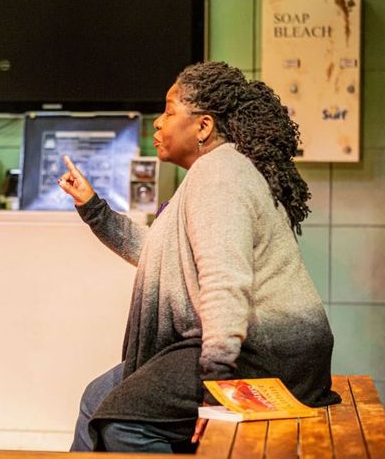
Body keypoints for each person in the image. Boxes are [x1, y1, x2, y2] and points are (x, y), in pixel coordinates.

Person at [58, 61, 341, 453]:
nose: (158, 123)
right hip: (254, 348)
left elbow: (225, 281)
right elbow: (158, 254)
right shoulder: (217, 172)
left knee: (125, 424)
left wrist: (216, 385)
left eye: (170, 111)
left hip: (264, 355)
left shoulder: (219, 176)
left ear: (203, 126)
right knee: (97, 398)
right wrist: (94, 209)